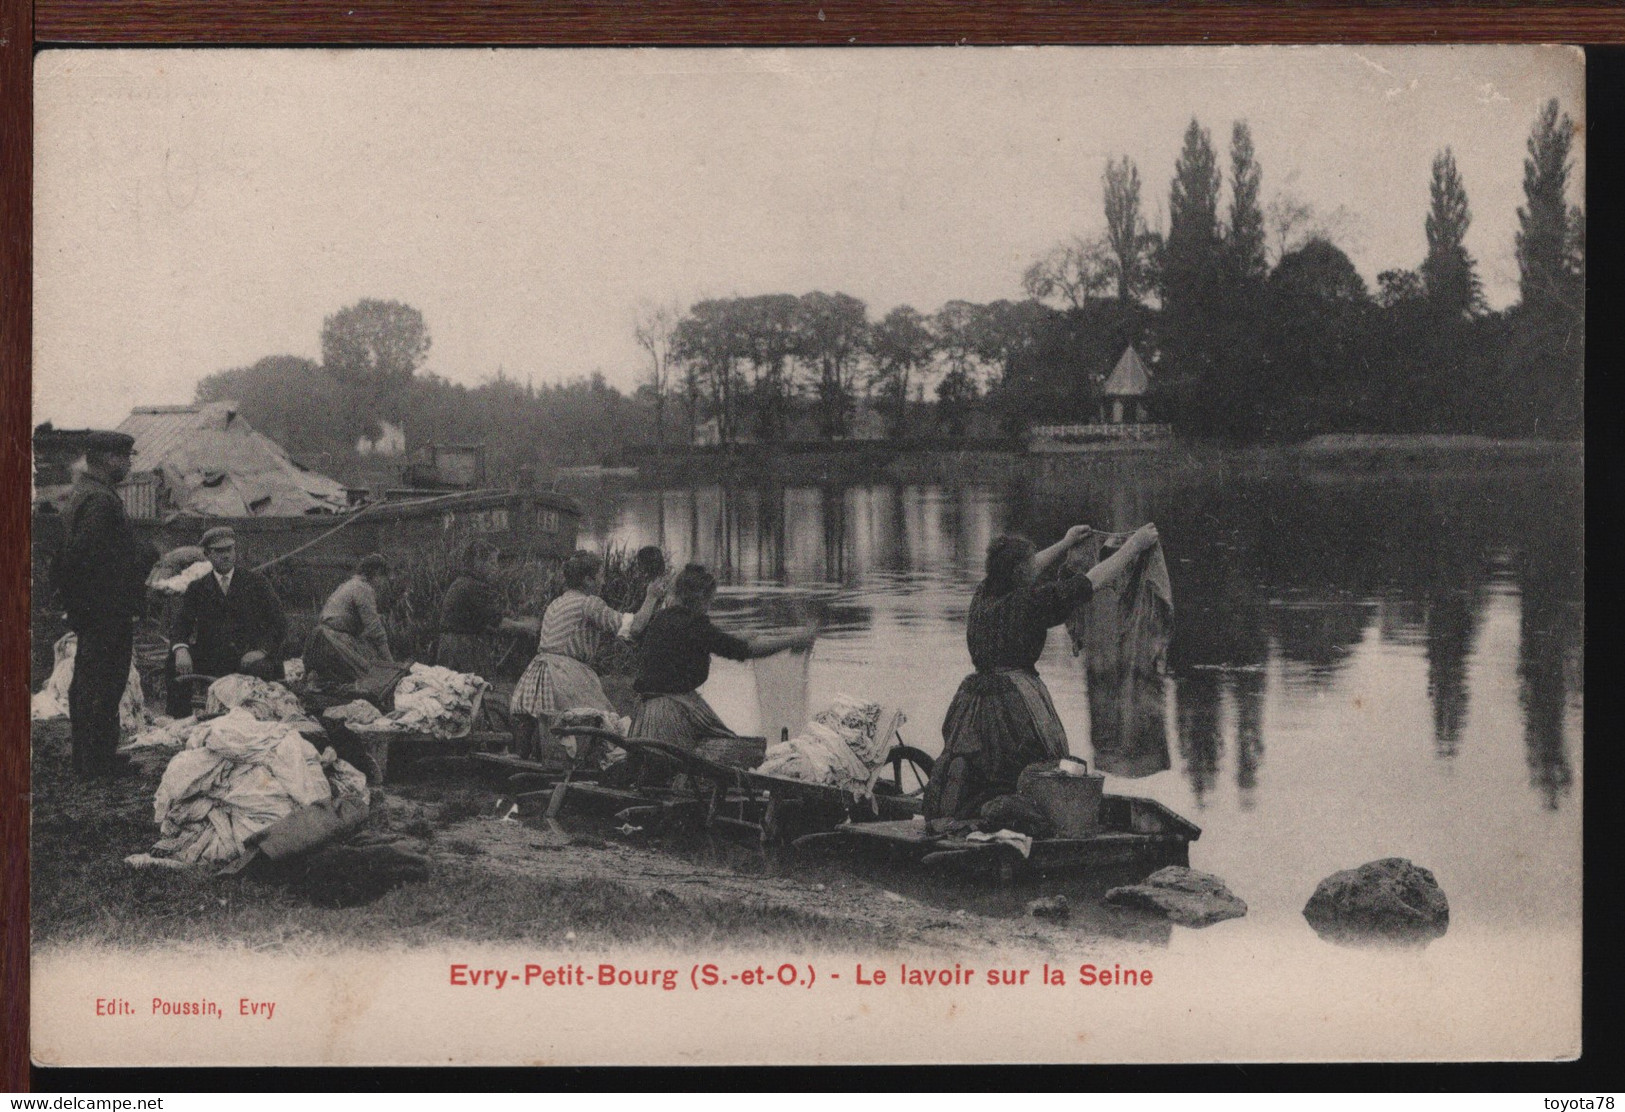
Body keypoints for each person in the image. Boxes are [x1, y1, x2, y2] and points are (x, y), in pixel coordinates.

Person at [922, 521, 1160, 823]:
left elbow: (1026, 566)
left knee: (982, 766)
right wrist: (1134, 546)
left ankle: (974, 810)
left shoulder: (983, 594)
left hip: (972, 701)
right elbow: (1090, 583)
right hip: (1015, 701)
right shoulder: (1029, 603)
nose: (1033, 569)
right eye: (1027, 566)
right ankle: (1018, 817)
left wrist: (1065, 542)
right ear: (1019, 572)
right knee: (1031, 764)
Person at [52, 431, 159, 777]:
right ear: (109, 458)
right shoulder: (100, 500)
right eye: (126, 458)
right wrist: (145, 555)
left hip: (94, 608)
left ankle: (91, 759)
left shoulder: (86, 494)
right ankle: (97, 763)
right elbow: (92, 557)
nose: (128, 465)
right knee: (104, 682)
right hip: (105, 609)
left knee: (90, 681)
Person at [630, 563, 815, 752]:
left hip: (644, 717)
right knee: (738, 753)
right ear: (701, 598)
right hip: (673, 715)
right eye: (710, 601)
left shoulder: (662, 618)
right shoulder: (694, 624)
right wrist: (792, 641)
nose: (709, 606)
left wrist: (738, 637)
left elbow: (711, 639)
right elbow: (744, 650)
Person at [509, 550, 664, 760]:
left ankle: (536, 754)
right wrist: (651, 597)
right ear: (587, 579)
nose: (603, 581)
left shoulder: (557, 602)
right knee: (600, 726)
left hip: (540, 671)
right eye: (600, 575)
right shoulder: (589, 603)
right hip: (566, 675)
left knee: (553, 724)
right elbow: (634, 627)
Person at [166, 526, 288, 716]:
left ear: (235, 551)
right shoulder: (197, 587)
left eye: (229, 550)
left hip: (248, 657)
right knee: (174, 660)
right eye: (219, 551)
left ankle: (259, 717)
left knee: (261, 671)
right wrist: (181, 648)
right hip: (213, 657)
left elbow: (279, 623)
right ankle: (180, 721)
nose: (226, 556)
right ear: (207, 554)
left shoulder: (256, 583)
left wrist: (261, 650)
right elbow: (181, 624)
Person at [434, 538, 534, 675]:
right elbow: (498, 621)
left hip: (450, 647)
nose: (496, 568)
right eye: (492, 563)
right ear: (478, 563)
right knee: (473, 687)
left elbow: (488, 616)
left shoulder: (461, 582)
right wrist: (527, 627)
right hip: (463, 649)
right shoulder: (474, 587)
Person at [303, 553, 395, 685]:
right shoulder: (363, 588)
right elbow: (375, 629)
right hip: (333, 641)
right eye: (383, 578)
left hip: (320, 638)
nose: (383, 583)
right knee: (367, 676)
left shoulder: (350, 584)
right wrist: (390, 663)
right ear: (376, 574)